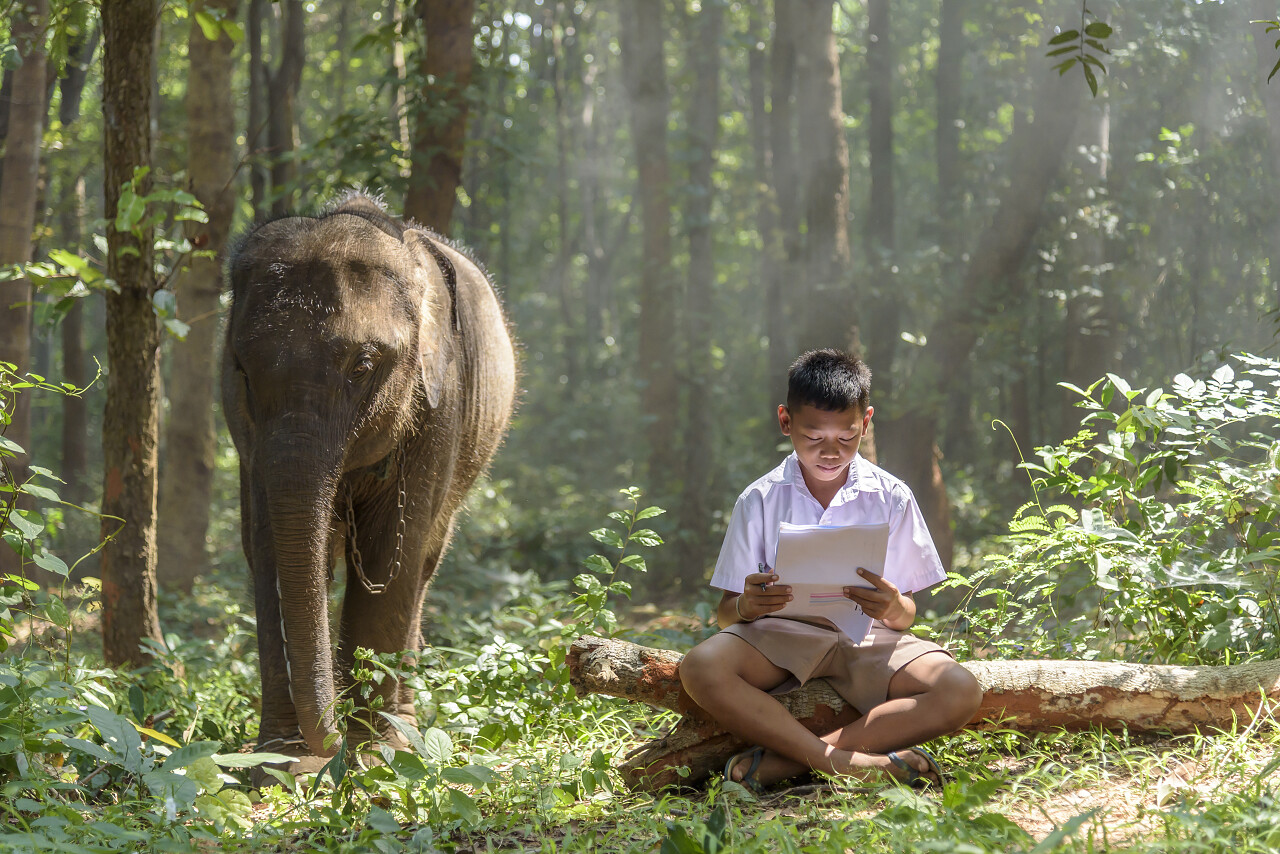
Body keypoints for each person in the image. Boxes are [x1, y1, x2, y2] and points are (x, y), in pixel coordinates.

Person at [679, 348, 983, 790]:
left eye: (847, 437)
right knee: (700, 667)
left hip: (868, 637)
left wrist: (893, 604)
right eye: (813, 436)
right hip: (781, 636)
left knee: (960, 690)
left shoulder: (891, 495)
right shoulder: (760, 499)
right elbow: (726, 614)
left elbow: (906, 616)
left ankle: (795, 763)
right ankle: (849, 764)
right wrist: (747, 603)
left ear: (866, 422)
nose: (830, 451)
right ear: (785, 422)